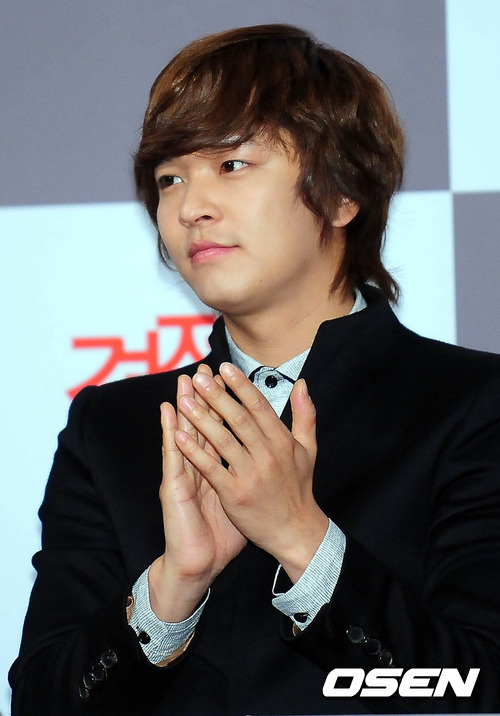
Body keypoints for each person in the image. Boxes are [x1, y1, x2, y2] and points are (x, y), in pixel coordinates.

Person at [9, 23, 500, 715]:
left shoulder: (472, 405)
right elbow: (41, 701)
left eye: (232, 165)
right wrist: (172, 588)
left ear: (342, 193)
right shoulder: (112, 427)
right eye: (170, 179)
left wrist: (302, 538)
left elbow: (478, 689)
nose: (191, 208)